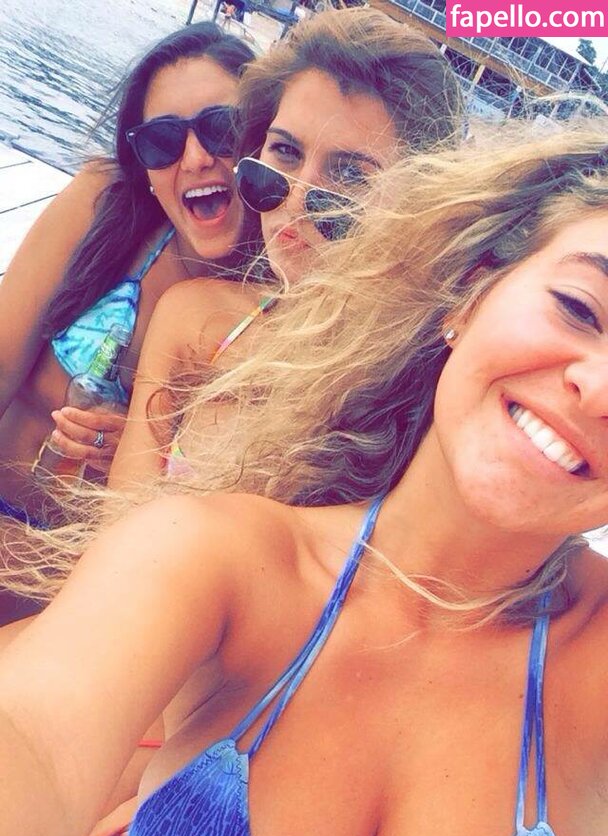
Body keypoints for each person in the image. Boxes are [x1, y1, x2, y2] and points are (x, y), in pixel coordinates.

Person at [1, 119, 608, 836]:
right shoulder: (221, 558)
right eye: (580, 308)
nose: (598, 387)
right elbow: (30, 737)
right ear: (469, 295)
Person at [107, 6, 462, 487]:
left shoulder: (419, 390)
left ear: (421, 200)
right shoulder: (192, 318)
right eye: (286, 152)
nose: (294, 200)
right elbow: (121, 514)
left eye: (350, 175)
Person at [0, 20, 257, 625]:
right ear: (143, 164)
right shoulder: (102, 206)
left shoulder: (268, 310)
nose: (195, 157)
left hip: (75, 585)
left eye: (221, 128)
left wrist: (149, 452)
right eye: (162, 141)